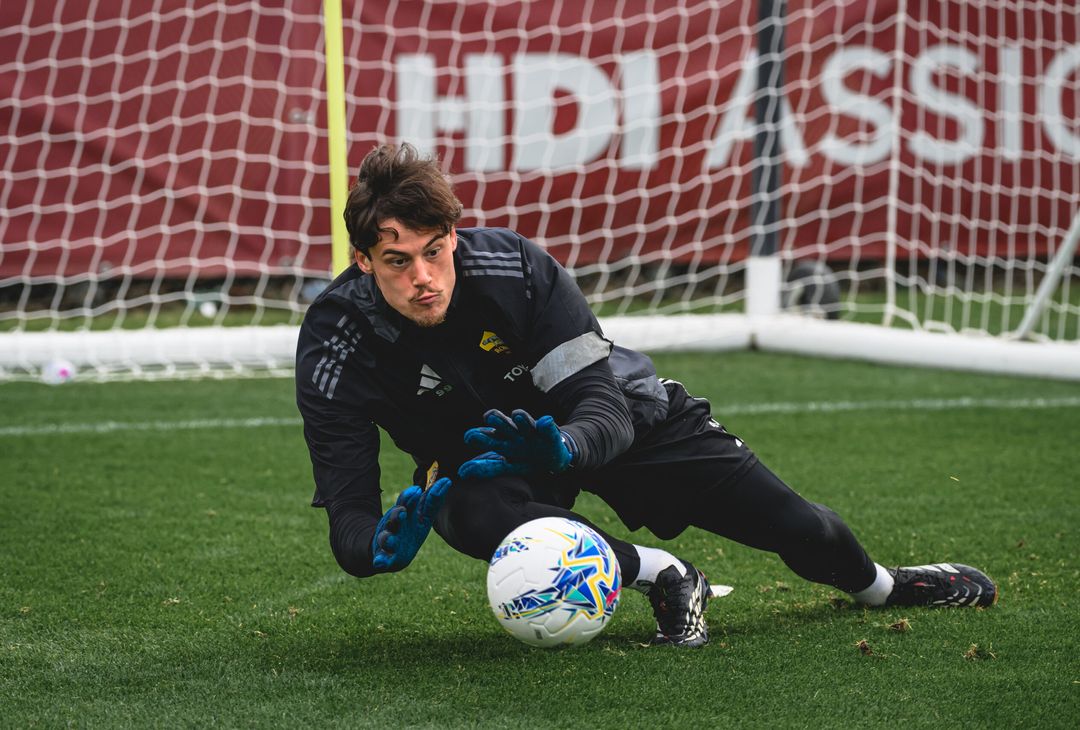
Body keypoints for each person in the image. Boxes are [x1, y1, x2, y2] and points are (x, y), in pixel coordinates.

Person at [295, 143, 997, 648]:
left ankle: (884, 586)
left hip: (611, 417)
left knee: (796, 526)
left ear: (454, 236)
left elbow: (601, 406)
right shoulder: (336, 341)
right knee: (464, 506)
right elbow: (350, 514)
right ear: (362, 260)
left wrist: (565, 443)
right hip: (494, 461)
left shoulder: (515, 270)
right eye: (397, 260)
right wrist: (372, 549)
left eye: (434, 250)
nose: (423, 276)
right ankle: (665, 575)